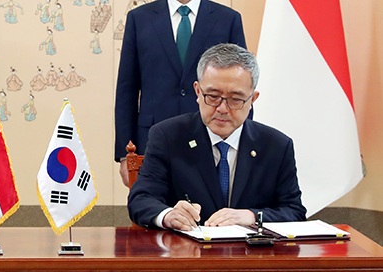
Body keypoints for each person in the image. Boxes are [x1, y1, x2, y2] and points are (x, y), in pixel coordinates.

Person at [114, 0, 246, 186]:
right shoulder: (139, 20)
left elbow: (242, 88)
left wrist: (241, 142)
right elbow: (127, 90)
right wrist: (123, 154)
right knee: (152, 215)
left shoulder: (227, 20)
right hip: (150, 141)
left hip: (213, 137)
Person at [128, 44, 306, 228]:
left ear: (252, 99)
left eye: (236, 99)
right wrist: (168, 215)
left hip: (251, 254)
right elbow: (141, 200)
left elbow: (294, 211)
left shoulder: (276, 146)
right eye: (212, 96)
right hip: (187, 252)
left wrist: (252, 216)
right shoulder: (167, 136)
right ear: (197, 91)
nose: (222, 109)